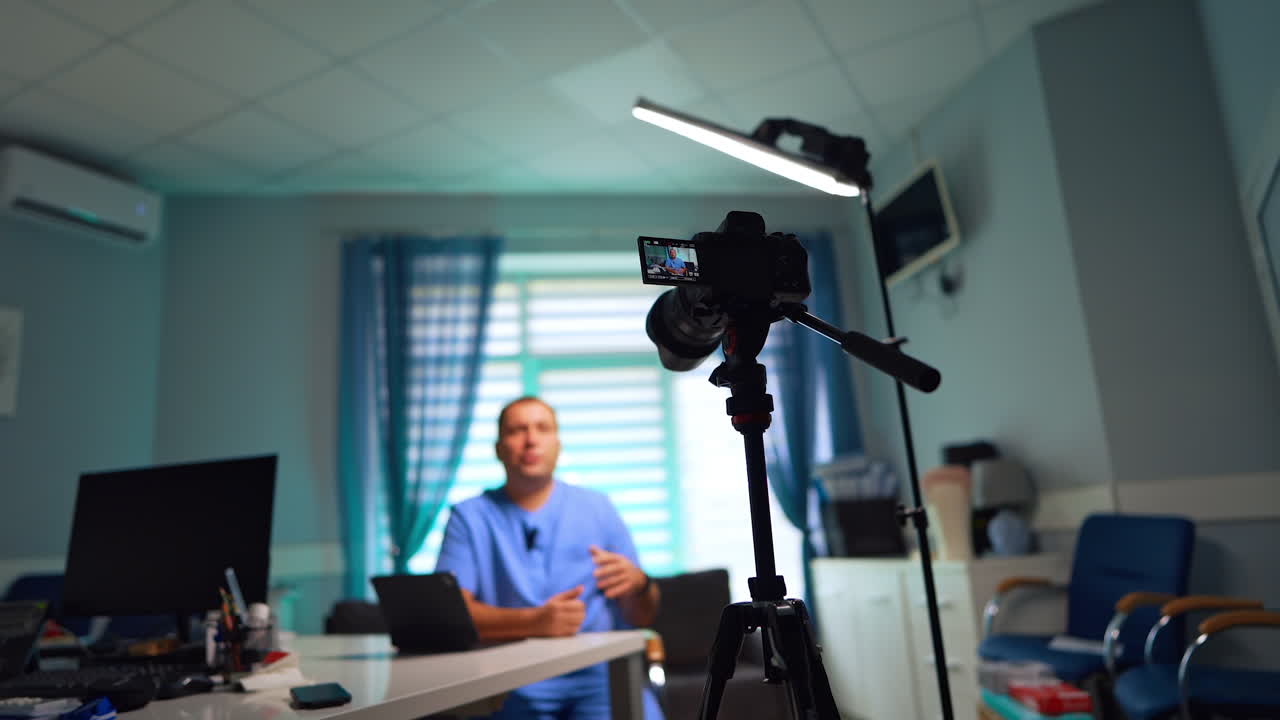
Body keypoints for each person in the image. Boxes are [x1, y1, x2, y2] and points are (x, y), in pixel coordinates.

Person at [435, 396, 664, 720]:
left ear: (558, 444)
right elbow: (451, 616)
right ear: (499, 448)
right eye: (517, 430)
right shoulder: (469, 518)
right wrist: (535, 622)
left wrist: (641, 585)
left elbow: (642, 616)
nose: (531, 439)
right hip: (507, 681)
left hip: (599, 676)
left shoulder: (598, 509)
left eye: (542, 428)